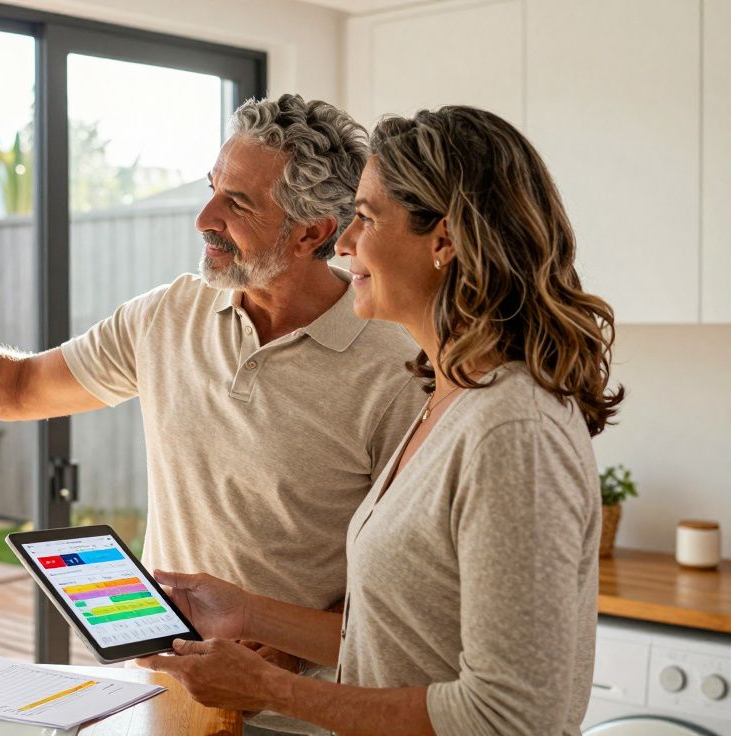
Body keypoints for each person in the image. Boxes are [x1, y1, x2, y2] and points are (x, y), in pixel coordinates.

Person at [0, 94, 426, 734]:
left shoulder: (398, 365)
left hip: (313, 718)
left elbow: (410, 589)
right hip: (164, 698)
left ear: (312, 232)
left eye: (237, 204)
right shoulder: (167, 316)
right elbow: (18, 387)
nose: (203, 217)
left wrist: (287, 647)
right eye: (214, 188)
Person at [138, 105, 624, 736]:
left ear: (444, 240)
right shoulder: (448, 399)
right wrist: (247, 613)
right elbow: (400, 638)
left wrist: (273, 690)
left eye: (364, 218)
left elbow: (509, 716)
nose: (342, 242)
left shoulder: (512, 430)